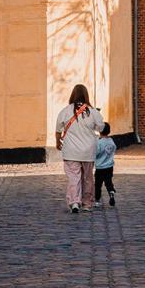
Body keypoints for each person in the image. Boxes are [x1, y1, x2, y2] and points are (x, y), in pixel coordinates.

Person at [54, 84, 104, 214]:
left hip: (70, 151)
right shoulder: (93, 112)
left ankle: (74, 202)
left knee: (73, 178)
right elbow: (101, 127)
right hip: (88, 151)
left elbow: (58, 130)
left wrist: (58, 142)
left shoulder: (65, 111)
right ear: (86, 95)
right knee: (88, 178)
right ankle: (87, 203)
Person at [94, 123, 117, 207]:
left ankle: (97, 201)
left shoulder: (99, 142)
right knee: (108, 181)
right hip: (109, 166)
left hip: (100, 167)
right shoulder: (111, 141)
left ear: (100, 131)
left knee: (98, 184)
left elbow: (96, 153)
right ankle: (111, 191)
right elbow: (114, 148)